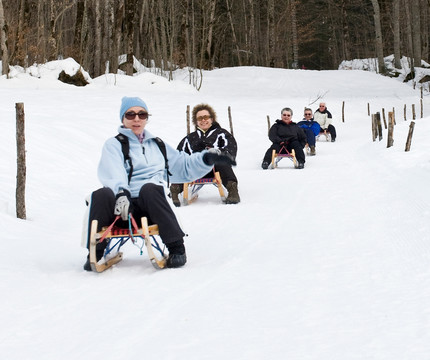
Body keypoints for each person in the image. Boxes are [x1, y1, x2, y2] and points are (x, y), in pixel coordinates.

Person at [83, 96, 236, 271]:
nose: (137, 119)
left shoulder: (157, 145)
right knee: (101, 194)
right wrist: (121, 193)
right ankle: (96, 253)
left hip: (150, 205)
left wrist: (205, 158)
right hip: (120, 207)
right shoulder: (113, 144)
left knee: (150, 189)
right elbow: (112, 170)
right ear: (123, 118)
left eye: (142, 114)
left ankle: (176, 248)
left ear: (147, 118)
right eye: (130, 114)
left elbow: (182, 165)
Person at [170, 104, 240, 206]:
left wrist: (215, 151)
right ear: (196, 121)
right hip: (196, 169)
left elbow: (230, 149)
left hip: (215, 168)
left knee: (221, 159)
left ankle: (232, 190)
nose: (203, 120)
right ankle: (175, 189)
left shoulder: (222, 133)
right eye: (200, 118)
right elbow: (179, 154)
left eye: (206, 117)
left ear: (212, 119)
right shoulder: (189, 138)